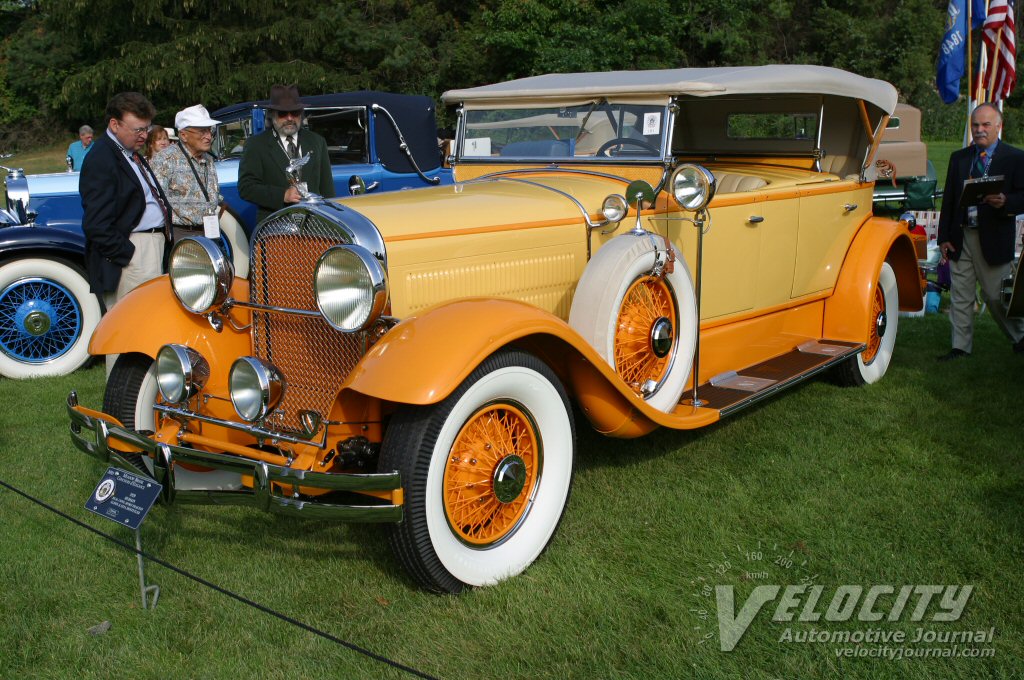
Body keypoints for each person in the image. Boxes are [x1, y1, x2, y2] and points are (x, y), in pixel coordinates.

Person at [936, 102, 1024, 360]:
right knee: (961, 296)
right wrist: (943, 237)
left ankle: (1020, 336)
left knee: (996, 296)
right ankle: (960, 348)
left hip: (994, 237)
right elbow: (950, 200)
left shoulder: (1015, 158)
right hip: (961, 236)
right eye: (975, 125)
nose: (979, 130)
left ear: (999, 126)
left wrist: (1006, 201)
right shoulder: (959, 158)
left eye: (986, 124)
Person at [80, 92, 171, 315]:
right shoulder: (102, 158)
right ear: (114, 125)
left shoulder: (129, 152)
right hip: (134, 254)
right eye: (137, 129)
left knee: (151, 323)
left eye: (147, 128)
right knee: (134, 326)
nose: (144, 135)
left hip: (150, 247)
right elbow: (96, 224)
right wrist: (127, 254)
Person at [237, 84, 335, 224]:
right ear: (272, 115)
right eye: (283, 113)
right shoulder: (256, 145)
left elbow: (328, 190)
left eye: (295, 112)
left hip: (315, 227)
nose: (289, 118)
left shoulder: (317, 141)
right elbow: (246, 188)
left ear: (301, 113)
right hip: (275, 228)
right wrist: (282, 195)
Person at [151, 105, 223, 242]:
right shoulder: (165, 160)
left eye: (210, 130)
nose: (208, 136)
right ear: (183, 135)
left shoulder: (208, 159)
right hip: (181, 234)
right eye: (202, 131)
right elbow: (156, 202)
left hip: (209, 231)